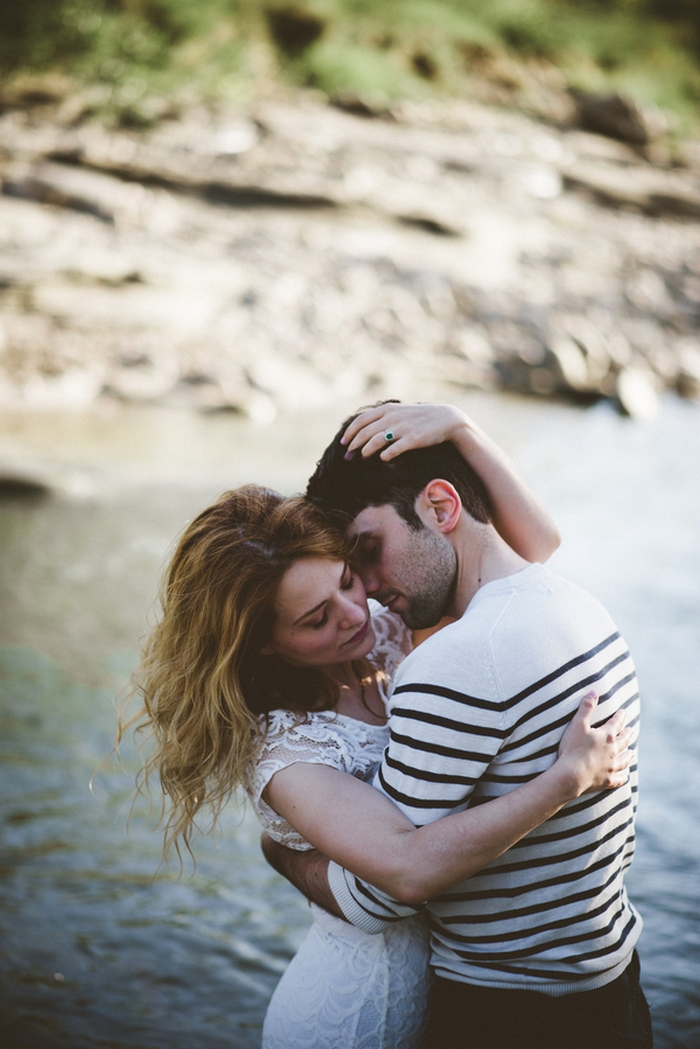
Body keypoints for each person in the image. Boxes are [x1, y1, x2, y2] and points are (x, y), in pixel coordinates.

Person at [124, 404, 634, 1049]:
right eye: (315, 619)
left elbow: (523, 554)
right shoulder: (287, 750)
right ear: (264, 646)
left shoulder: (391, 635)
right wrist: (564, 780)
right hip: (359, 1010)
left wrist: (461, 430)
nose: (354, 608)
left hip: (463, 987)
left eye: (347, 576)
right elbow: (403, 873)